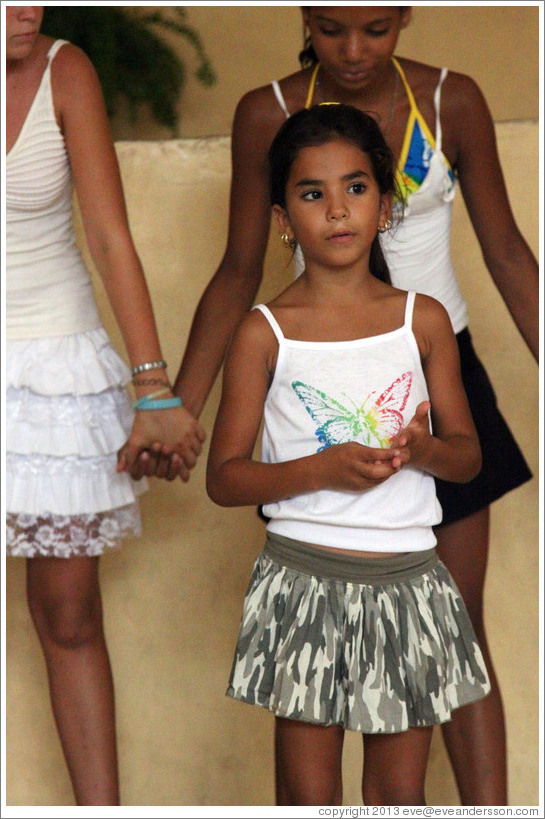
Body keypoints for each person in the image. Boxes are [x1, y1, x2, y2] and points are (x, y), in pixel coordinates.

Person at [131, 6, 538, 805]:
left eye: (375, 28)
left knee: (454, 622)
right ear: (304, 20)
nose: (353, 50)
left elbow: (507, 252)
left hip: (433, 371)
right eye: (329, 28)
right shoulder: (269, 115)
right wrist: (175, 399)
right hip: (318, 382)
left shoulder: (451, 101)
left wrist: (427, 441)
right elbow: (236, 268)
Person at [206, 103, 491, 807]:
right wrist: (320, 470)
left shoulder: (419, 320)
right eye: (312, 193)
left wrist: (423, 448)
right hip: (303, 583)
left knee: (397, 793)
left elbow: (467, 459)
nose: (337, 210)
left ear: (386, 206)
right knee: (308, 795)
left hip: (408, 583)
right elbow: (224, 477)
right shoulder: (264, 332)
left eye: (355, 188)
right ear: (282, 219)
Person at [5, 5, 205, 806]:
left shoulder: (65, 69)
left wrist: (152, 388)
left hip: (55, 371)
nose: (29, 10)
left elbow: (109, 234)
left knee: (68, 611)